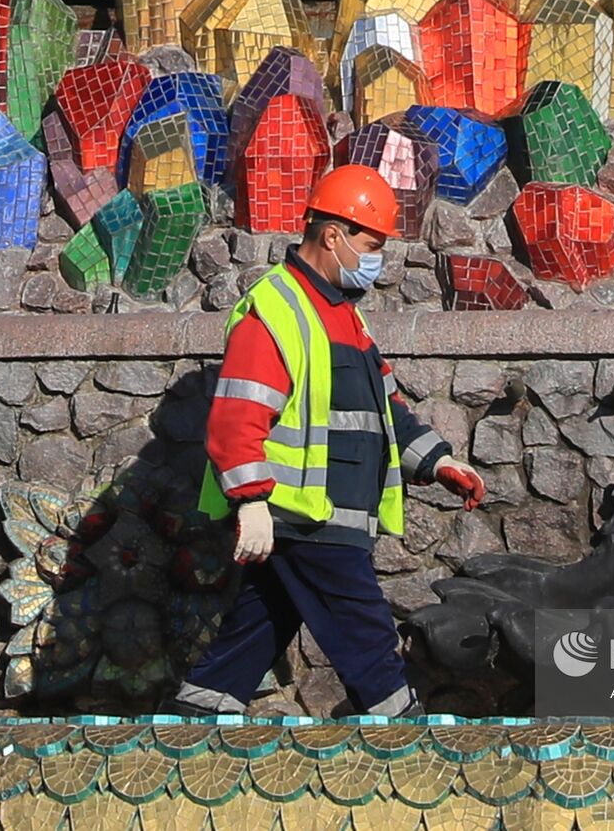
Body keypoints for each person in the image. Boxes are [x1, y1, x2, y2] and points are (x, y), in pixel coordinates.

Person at [165, 165, 485, 718]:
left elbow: (385, 410)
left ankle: (194, 719)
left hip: (320, 515)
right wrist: (251, 501)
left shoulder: (345, 317)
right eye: (372, 245)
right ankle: (403, 732)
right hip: (305, 516)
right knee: (366, 636)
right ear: (333, 236)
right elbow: (237, 416)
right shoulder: (277, 309)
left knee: (257, 628)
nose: (378, 259)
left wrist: (438, 462)